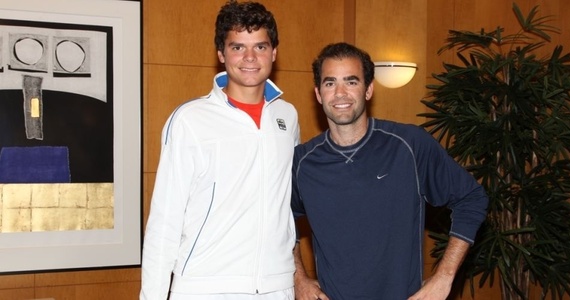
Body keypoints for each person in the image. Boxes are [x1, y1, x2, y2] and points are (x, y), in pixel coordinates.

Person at [291, 42, 488, 300]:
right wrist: (299, 279)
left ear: (368, 89)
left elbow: (471, 198)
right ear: (318, 93)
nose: (340, 93)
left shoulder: (409, 145)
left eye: (351, 82)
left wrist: (444, 277)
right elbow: (280, 223)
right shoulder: (303, 162)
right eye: (330, 83)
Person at [140, 1, 300, 299]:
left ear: (274, 52)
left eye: (260, 47)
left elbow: (286, 204)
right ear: (221, 53)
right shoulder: (190, 119)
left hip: (276, 287)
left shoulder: (287, 116)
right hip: (205, 287)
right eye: (238, 47)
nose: (250, 57)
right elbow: (165, 220)